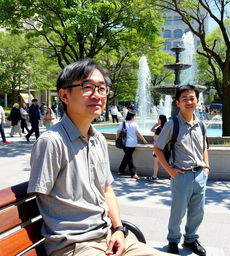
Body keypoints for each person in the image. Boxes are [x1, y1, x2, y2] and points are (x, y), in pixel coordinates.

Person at [27, 59, 171, 256]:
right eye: (87, 87)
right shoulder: (51, 142)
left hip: (111, 237)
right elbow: (42, 198)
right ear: (64, 95)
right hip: (75, 246)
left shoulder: (99, 140)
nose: (97, 95)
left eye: (102, 88)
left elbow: (107, 189)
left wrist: (119, 229)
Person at [154, 85, 210, 256]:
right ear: (177, 103)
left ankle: (191, 239)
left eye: (192, 98)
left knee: (197, 212)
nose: (189, 101)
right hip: (181, 175)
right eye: (184, 98)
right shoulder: (172, 124)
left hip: (200, 174)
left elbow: (204, 146)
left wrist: (207, 166)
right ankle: (173, 240)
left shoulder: (201, 124)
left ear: (197, 101)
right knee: (177, 212)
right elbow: (157, 148)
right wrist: (170, 171)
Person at [117, 111, 148, 179]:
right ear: (132, 117)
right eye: (134, 116)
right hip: (133, 143)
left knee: (127, 157)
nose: (135, 118)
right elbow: (138, 133)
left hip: (125, 143)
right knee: (129, 158)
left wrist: (117, 138)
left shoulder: (123, 123)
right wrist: (144, 140)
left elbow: (118, 132)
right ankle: (133, 173)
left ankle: (120, 170)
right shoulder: (134, 124)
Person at [147, 114, 168, 180]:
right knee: (167, 162)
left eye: (158, 119)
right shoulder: (166, 127)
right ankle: (171, 176)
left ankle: (154, 176)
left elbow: (155, 138)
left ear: (161, 120)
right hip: (166, 147)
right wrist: (156, 125)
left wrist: (157, 125)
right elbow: (152, 130)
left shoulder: (159, 128)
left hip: (158, 148)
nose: (157, 120)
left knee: (156, 162)